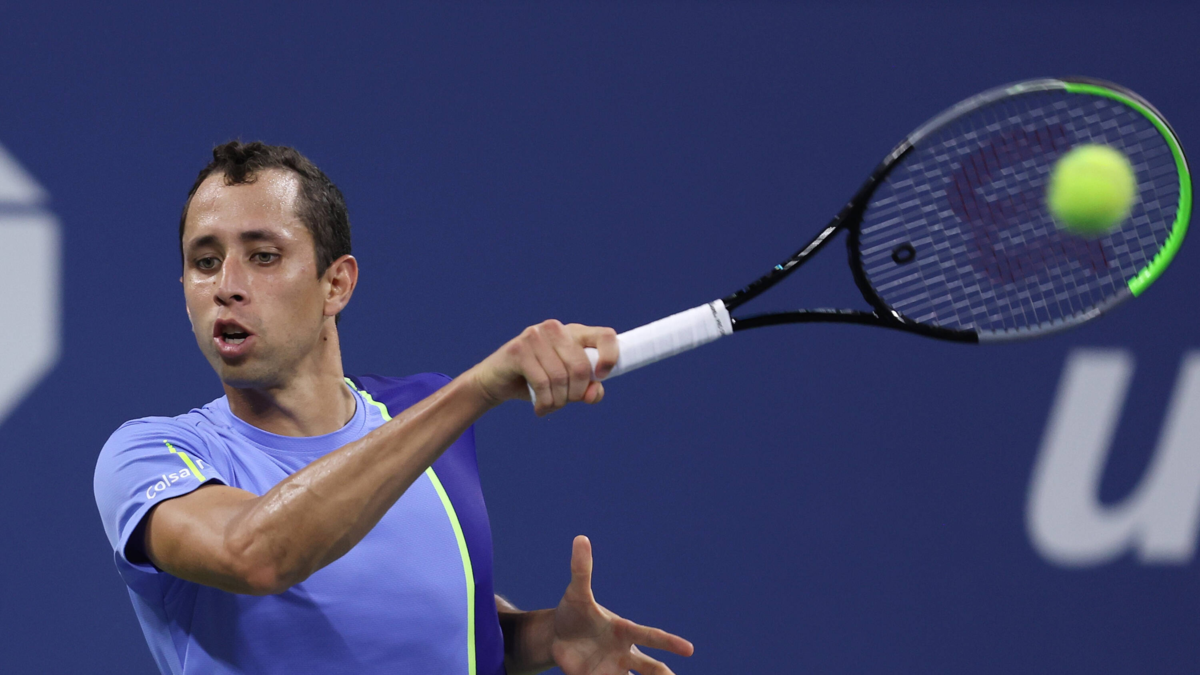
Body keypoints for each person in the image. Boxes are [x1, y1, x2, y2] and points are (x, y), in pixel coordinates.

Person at [93, 141, 693, 675]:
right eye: (204, 262)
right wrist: (475, 391)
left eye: (264, 255)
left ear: (336, 285)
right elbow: (255, 555)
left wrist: (547, 637)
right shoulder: (148, 456)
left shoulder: (424, 414)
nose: (227, 284)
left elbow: (436, 629)